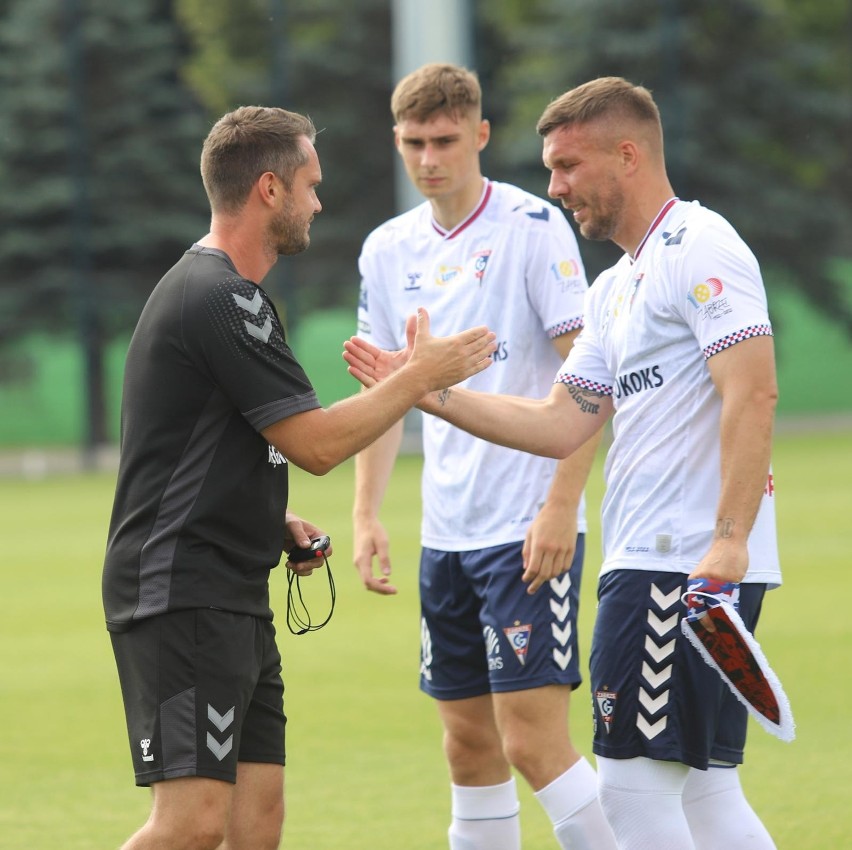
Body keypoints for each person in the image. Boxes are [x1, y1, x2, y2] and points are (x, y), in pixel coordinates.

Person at [345, 76, 782, 850]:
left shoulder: (701, 244)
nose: (555, 186)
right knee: (707, 798)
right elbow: (559, 422)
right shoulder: (617, 285)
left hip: (681, 566)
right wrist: (423, 390)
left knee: (633, 799)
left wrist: (729, 538)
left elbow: (754, 392)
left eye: (569, 166)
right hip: (651, 559)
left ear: (629, 154)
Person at [101, 105, 496, 850]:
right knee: (189, 827)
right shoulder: (221, 298)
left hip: (228, 589)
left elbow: (215, 441)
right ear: (271, 191)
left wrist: (266, 518)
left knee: (258, 824)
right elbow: (316, 446)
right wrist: (418, 379)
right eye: (312, 185)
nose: (320, 202)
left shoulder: (231, 295)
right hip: (182, 592)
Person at [353, 63, 614, 850]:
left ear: (480, 135)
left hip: (526, 527)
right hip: (448, 533)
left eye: (444, 140)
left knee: (533, 742)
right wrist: (367, 512)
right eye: (412, 143)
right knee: (468, 750)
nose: (429, 158)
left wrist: (561, 505)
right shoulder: (386, 249)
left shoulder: (533, 228)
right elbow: (382, 395)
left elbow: (588, 380)